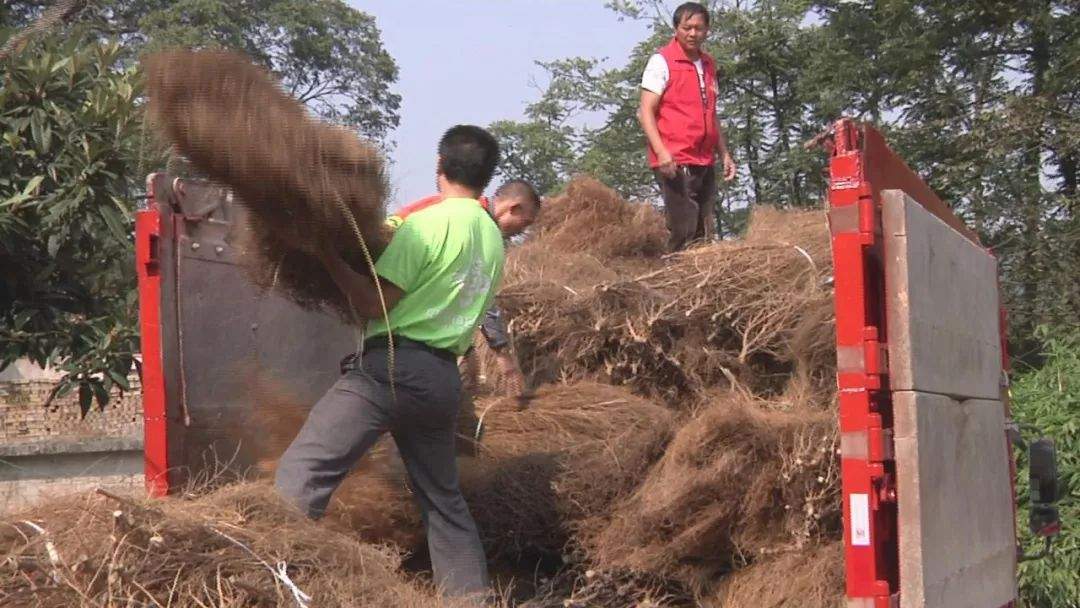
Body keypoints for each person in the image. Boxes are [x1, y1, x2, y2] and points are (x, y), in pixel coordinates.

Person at [274, 125, 503, 600]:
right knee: (443, 502)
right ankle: (471, 600)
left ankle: (271, 578)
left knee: (303, 472)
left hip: (393, 369)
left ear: (440, 166)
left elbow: (372, 304)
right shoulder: (494, 239)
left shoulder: (429, 225)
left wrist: (329, 258)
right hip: (443, 379)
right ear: (487, 177)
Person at [388, 180, 543, 394]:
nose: (521, 232)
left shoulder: (478, 222)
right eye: (524, 223)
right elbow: (477, 292)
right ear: (513, 208)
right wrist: (503, 355)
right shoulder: (471, 220)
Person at [638, 1, 737, 252]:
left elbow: (711, 113)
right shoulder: (662, 62)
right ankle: (671, 279)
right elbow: (645, 111)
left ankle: (697, 285)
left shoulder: (708, 65)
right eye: (687, 27)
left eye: (699, 28)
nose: (693, 33)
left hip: (703, 158)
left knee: (704, 230)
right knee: (683, 227)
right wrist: (661, 152)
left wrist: (724, 153)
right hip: (675, 158)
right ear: (676, 29)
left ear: (708, 31)